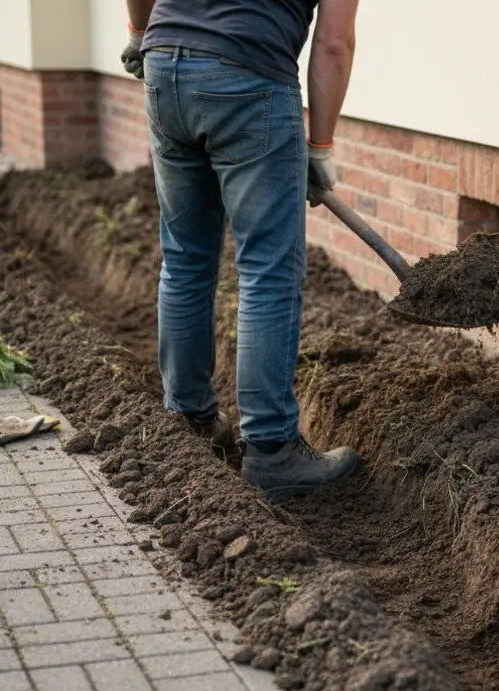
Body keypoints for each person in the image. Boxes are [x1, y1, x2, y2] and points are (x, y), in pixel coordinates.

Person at [120, 0, 361, 503]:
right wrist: (319, 147)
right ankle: (272, 449)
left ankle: (188, 418)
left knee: (184, 258)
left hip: (166, 67)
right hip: (249, 79)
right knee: (268, 271)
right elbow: (334, 44)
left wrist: (141, 33)